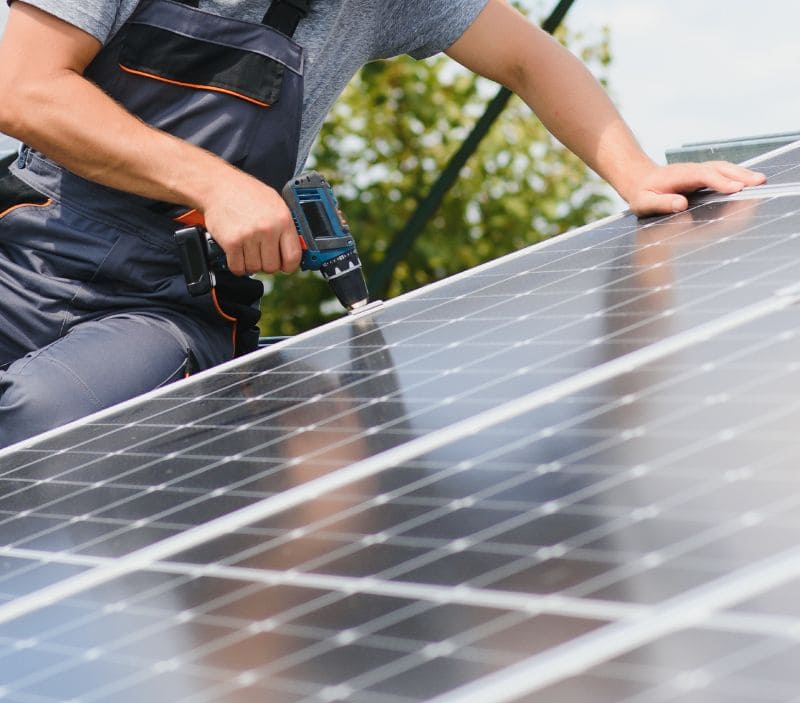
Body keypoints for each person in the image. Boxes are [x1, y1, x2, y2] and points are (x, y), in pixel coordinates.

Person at [0, 0, 765, 447]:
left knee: (44, 428)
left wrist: (633, 170)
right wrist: (213, 180)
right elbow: (24, 88)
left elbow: (526, 55)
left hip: (166, 301)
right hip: (27, 242)